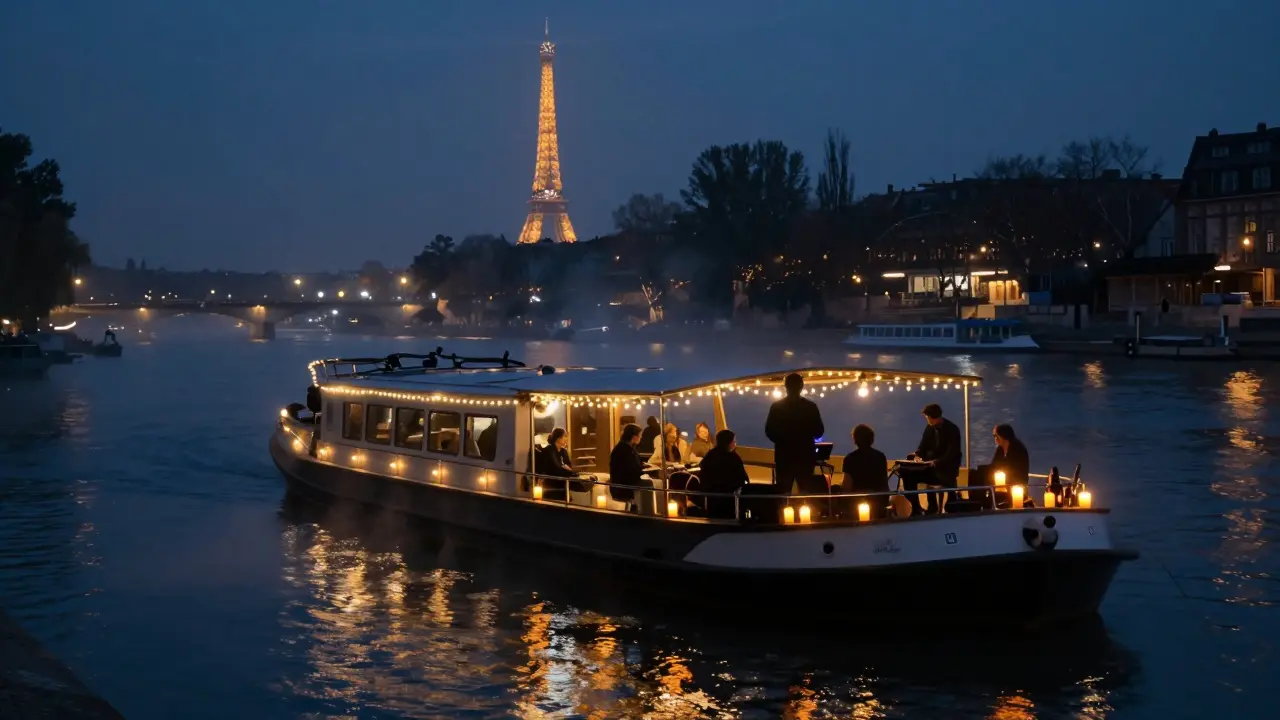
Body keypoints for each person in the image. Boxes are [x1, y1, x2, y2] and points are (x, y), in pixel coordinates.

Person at [764, 373, 825, 496]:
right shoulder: (810, 407)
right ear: (801, 386)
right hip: (805, 457)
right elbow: (819, 431)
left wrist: (783, 441)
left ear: (785, 386)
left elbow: (769, 431)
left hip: (784, 457)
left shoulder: (776, 407)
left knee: (783, 492)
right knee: (805, 492)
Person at [902, 403, 963, 515]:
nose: (927, 420)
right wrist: (916, 455)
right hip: (929, 467)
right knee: (907, 474)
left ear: (931, 417)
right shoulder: (929, 428)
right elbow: (922, 447)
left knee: (933, 474)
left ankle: (937, 506)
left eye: (927, 417)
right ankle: (916, 507)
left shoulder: (952, 429)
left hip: (945, 470)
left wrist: (936, 462)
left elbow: (951, 454)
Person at [697, 429, 751, 518]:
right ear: (728, 443)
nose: (735, 444)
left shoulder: (710, 456)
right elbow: (742, 478)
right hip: (729, 500)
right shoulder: (733, 458)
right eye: (733, 441)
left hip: (712, 500)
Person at [840, 424, 890, 519]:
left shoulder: (850, 458)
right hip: (878, 500)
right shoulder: (880, 457)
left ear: (855, 440)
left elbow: (847, 486)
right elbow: (884, 483)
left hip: (856, 501)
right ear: (872, 439)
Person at [608, 423, 646, 504]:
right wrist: (646, 470)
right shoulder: (625, 450)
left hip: (623, 484)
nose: (641, 437)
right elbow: (631, 470)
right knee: (651, 484)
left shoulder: (625, 448)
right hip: (624, 486)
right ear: (634, 436)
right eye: (640, 435)